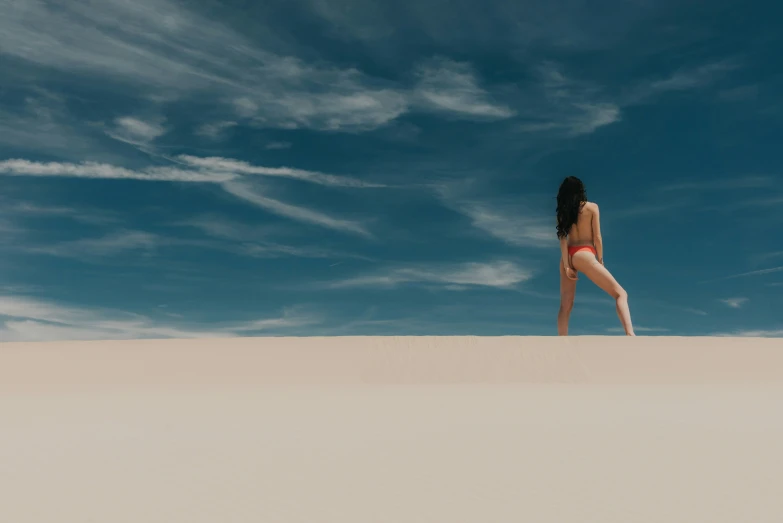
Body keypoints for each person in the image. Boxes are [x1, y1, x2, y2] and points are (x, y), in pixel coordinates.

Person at [556, 176, 635, 336]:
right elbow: (597, 237)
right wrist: (600, 259)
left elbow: (563, 240)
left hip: (568, 255)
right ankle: (630, 334)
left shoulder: (563, 212)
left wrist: (566, 265)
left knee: (566, 305)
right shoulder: (592, 208)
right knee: (621, 293)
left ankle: (561, 341)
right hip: (585, 254)